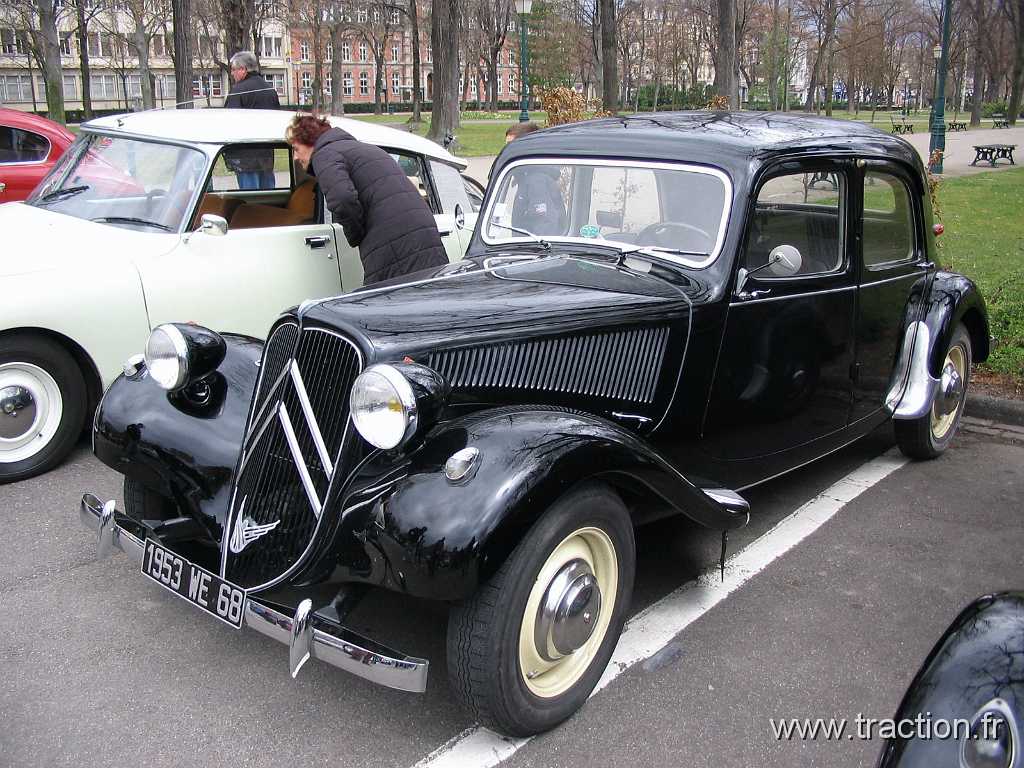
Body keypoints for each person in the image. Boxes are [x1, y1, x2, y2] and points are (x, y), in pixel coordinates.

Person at [286, 114, 449, 285]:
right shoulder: (364, 149)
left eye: (296, 149)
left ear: (310, 141)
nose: (295, 158)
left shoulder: (324, 155)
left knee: (385, 304)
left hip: (391, 240)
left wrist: (355, 234)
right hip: (421, 231)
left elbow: (342, 199)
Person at [224, 51, 279, 190]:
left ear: (243, 69)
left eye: (234, 69)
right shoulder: (270, 90)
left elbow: (229, 122)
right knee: (269, 198)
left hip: (245, 156)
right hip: (266, 153)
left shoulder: (239, 91)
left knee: (250, 198)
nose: (232, 73)